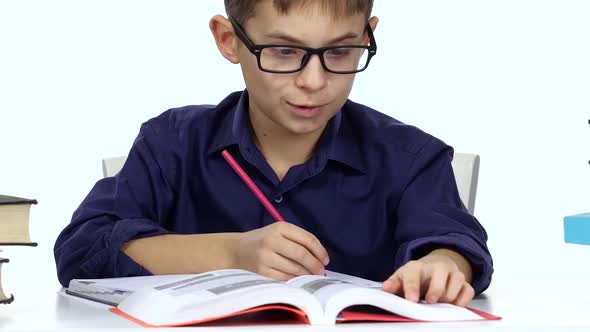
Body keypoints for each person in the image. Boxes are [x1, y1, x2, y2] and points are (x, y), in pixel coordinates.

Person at [54, 0, 493, 307]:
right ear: (228, 40)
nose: (314, 81)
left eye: (340, 51)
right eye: (284, 52)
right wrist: (231, 255)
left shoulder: (410, 156)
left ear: (367, 35)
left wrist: (442, 266)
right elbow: (83, 250)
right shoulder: (172, 142)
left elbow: (453, 240)